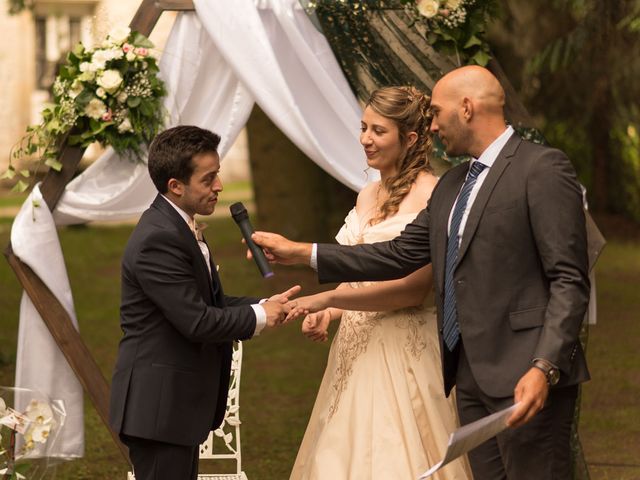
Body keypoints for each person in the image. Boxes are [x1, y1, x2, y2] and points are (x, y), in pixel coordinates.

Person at [254, 66, 590, 480]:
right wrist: (304, 253)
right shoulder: (453, 186)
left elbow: (569, 280)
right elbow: (396, 255)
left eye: (436, 112)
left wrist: (544, 367)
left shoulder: (540, 168)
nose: (430, 124)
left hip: (526, 373)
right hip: (468, 379)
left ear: (466, 108)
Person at [289, 86, 471, 480]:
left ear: (409, 139)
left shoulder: (433, 196)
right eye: (363, 128)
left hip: (405, 351)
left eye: (378, 131)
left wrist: (330, 298)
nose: (365, 140)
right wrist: (332, 312)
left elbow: (412, 290)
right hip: (354, 353)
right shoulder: (366, 194)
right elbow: (357, 271)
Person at [109, 125, 298, 480]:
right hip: (157, 411)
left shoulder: (177, 225)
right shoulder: (158, 239)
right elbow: (197, 321)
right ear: (175, 186)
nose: (219, 186)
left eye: (218, 175)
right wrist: (260, 316)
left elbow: (209, 301)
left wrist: (267, 302)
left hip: (174, 408)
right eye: (208, 179)